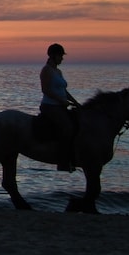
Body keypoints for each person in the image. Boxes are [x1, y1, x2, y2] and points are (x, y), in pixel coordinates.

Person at [39, 43, 81, 172]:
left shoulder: (58, 71)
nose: (62, 58)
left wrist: (76, 103)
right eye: (60, 56)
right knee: (67, 127)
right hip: (50, 107)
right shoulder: (46, 70)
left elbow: (64, 91)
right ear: (53, 56)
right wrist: (62, 101)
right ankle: (62, 161)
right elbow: (45, 90)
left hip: (60, 106)